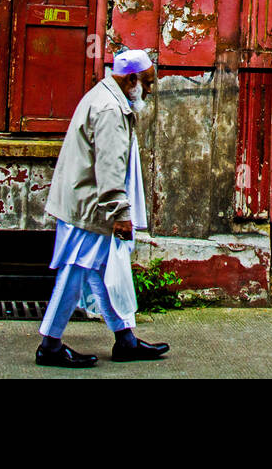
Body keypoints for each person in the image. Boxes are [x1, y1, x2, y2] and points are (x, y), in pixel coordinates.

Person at [36, 48, 170, 368]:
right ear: (132, 79)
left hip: (85, 203)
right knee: (76, 272)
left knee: (99, 271)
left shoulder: (104, 94)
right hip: (89, 208)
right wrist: (121, 214)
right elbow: (110, 167)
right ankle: (50, 344)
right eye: (147, 83)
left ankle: (125, 339)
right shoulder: (111, 108)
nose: (150, 90)